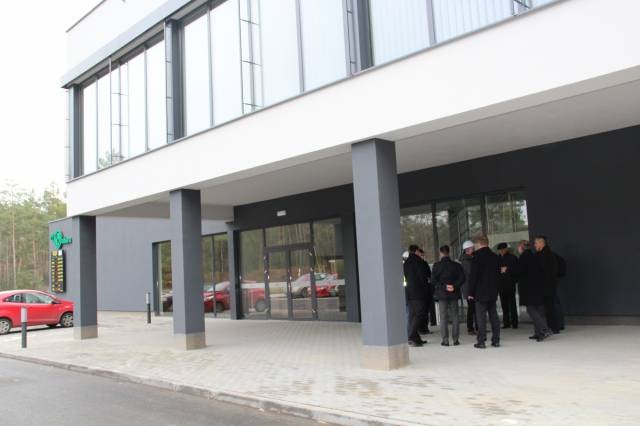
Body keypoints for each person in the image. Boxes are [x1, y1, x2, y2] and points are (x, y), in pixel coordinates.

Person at [468, 235, 501, 349]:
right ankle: (496, 340)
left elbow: (473, 276)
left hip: (480, 292)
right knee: (493, 316)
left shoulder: (476, 257)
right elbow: (498, 275)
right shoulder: (495, 256)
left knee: (481, 317)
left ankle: (481, 341)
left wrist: (470, 292)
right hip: (492, 291)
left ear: (479, 244)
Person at [517, 240, 552, 341]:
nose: (518, 249)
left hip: (529, 288)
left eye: (519, 247)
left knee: (530, 309)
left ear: (522, 247)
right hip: (538, 287)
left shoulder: (523, 257)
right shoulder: (534, 256)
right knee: (538, 310)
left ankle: (544, 329)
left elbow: (520, 272)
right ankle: (538, 333)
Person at [432, 245, 465, 346]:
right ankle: (455, 340)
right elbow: (462, 278)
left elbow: (433, 281)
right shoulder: (457, 265)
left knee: (443, 317)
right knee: (455, 316)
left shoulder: (437, 265)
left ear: (441, 253)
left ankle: (445, 340)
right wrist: (454, 286)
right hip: (454, 293)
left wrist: (444, 287)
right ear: (449, 252)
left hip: (442, 294)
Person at [403, 245, 429, 346]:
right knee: (420, 313)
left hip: (409, 292)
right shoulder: (419, 261)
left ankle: (416, 338)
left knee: (413, 314)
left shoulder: (406, 263)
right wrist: (426, 290)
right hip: (418, 292)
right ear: (417, 251)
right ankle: (412, 336)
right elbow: (422, 277)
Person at [534, 236, 560, 334]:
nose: (535, 245)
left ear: (541, 243)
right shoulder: (545, 254)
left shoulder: (545, 255)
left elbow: (544, 271)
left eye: (536, 243)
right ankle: (553, 327)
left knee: (549, 307)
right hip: (548, 286)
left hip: (546, 286)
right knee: (549, 307)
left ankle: (553, 328)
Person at [497, 242, 519, 329]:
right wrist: (500, 270)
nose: (501, 251)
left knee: (512, 304)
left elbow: (516, 270)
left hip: (510, 284)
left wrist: (507, 269)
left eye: (503, 250)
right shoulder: (497, 258)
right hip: (501, 284)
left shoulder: (513, 258)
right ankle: (506, 322)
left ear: (506, 249)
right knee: (504, 305)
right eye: (500, 250)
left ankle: (514, 322)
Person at [459, 240, 477, 335]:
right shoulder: (466, 260)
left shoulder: (468, 259)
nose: (474, 249)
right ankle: (470, 328)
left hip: (470, 287)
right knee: (472, 308)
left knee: (474, 308)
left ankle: (477, 327)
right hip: (469, 288)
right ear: (468, 249)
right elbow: (471, 273)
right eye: (472, 248)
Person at [417, 248, 436, 334]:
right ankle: (422, 328)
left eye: (422, 255)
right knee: (422, 311)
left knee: (425, 311)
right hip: (423, 291)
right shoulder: (421, 264)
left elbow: (429, 275)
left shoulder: (423, 263)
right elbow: (429, 275)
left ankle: (423, 328)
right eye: (421, 255)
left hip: (424, 291)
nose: (422, 257)